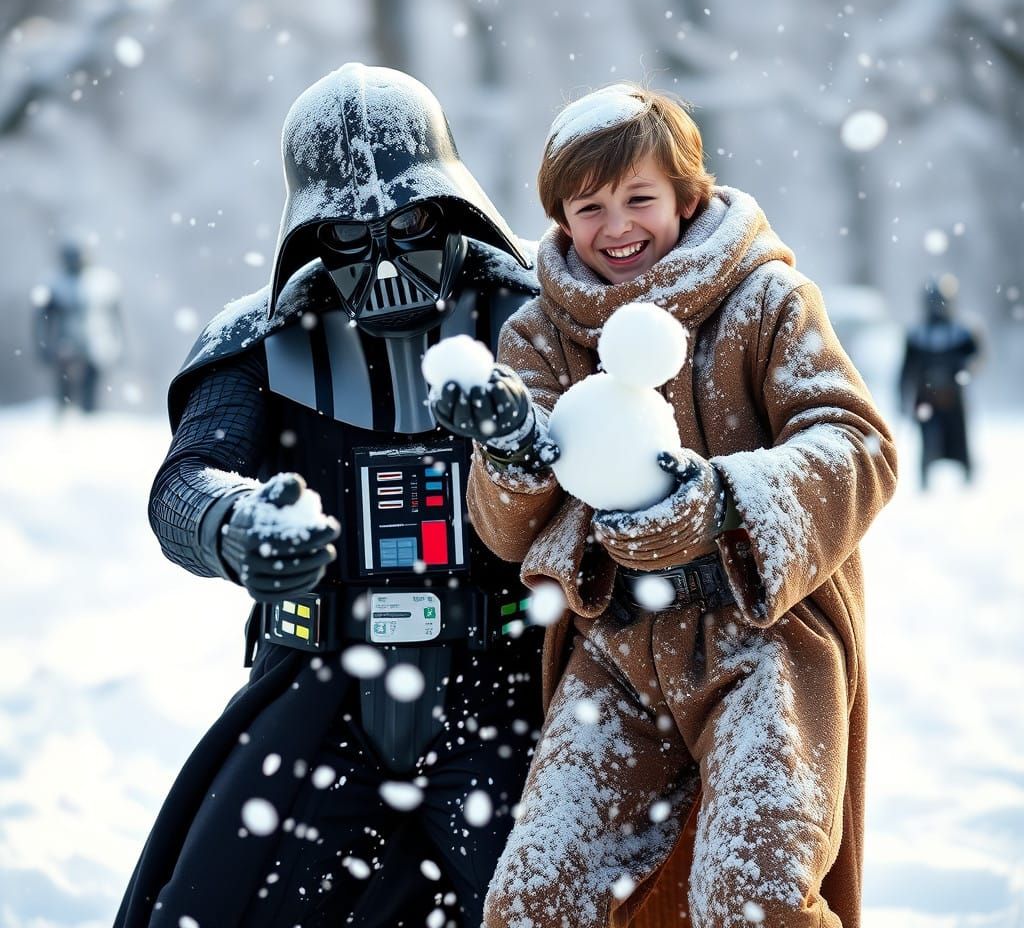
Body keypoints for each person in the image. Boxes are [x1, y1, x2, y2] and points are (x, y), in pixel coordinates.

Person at [432, 84, 898, 927]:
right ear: (559, 218)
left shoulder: (769, 300)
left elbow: (856, 443)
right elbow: (505, 530)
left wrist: (721, 501)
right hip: (615, 648)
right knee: (536, 900)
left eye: (639, 198)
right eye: (589, 207)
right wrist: (514, 452)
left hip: (765, 639)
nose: (617, 226)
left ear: (686, 196)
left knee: (756, 898)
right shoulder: (539, 334)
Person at [116, 63, 545, 928]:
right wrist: (236, 524)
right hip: (319, 693)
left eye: (410, 222)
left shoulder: (539, 317)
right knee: (216, 909)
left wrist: (528, 431)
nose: (384, 257)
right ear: (310, 234)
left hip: (500, 689)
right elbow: (185, 480)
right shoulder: (260, 338)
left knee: (549, 903)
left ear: (453, 206)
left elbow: (623, 463)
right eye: (349, 232)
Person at [899, 275, 980, 489]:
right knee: (929, 441)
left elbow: (976, 358)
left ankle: (967, 479)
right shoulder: (916, 335)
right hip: (927, 399)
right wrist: (902, 400)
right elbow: (906, 371)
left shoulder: (962, 333)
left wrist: (965, 370)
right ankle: (926, 479)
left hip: (953, 399)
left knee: (958, 439)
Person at [32, 240, 124, 413]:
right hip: (65, 346)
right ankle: (66, 418)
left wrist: (119, 345)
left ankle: (89, 420)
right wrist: (43, 345)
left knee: (91, 398)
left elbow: (117, 318)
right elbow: (41, 320)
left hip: (96, 344)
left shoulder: (103, 283)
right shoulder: (54, 284)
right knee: (65, 397)